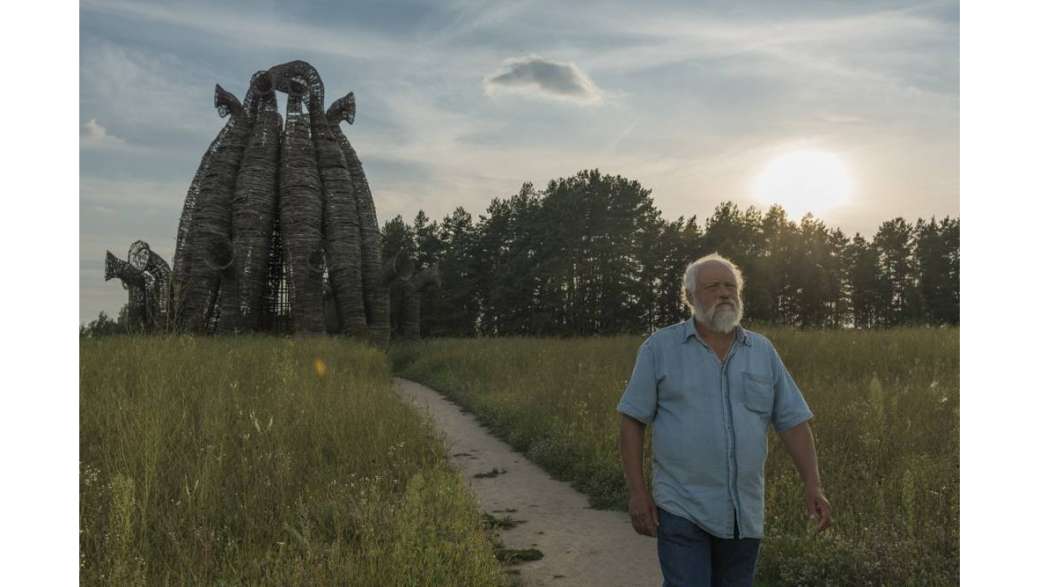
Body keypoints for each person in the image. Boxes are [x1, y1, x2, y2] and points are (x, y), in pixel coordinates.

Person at [617, 252, 831, 586]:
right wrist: (637, 492)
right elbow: (631, 421)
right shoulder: (660, 349)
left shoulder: (762, 352)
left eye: (730, 286)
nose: (724, 293)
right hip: (681, 507)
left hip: (743, 514)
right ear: (689, 297)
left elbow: (793, 422)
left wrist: (813, 484)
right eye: (713, 286)